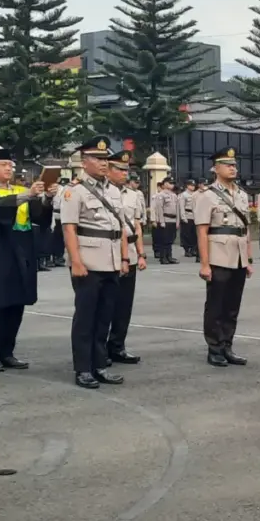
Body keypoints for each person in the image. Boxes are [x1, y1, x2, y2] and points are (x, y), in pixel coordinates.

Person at [0, 146, 55, 372]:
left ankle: (7, 351)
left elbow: (40, 217)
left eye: (10, 165)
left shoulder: (20, 189)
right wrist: (27, 195)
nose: (9, 168)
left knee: (18, 303)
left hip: (23, 250)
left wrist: (46, 197)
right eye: (4, 165)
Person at [62, 136, 130, 389]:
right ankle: (83, 368)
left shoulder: (113, 190)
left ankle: (99, 364)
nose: (104, 163)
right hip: (88, 262)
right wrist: (76, 261)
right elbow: (69, 229)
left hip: (111, 260)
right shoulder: (74, 191)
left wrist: (124, 258)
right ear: (84, 161)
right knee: (86, 318)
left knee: (104, 317)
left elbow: (120, 227)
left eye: (105, 159)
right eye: (98, 159)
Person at [195, 147, 253, 367]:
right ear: (215, 168)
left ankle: (227, 345)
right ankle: (214, 348)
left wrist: (248, 260)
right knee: (216, 305)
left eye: (234, 165)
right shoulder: (207, 196)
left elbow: (245, 229)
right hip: (218, 256)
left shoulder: (242, 195)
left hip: (237, 256)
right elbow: (202, 231)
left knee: (232, 306)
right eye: (228, 165)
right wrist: (204, 264)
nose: (233, 168)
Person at [106, 149, 146, 365]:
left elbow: (136, 226)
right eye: (119, 169)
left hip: (129, 253)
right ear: (109, 169)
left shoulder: (133, 195)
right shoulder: (103, 193)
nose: (124, 173)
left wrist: (141, 254)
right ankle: (99, 348)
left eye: (126, 169)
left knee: (124, 305)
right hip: (111, 253)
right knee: (107, 304)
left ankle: (117, 346)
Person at [151, 178, 179, 264]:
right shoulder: (161, 195)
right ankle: (163, 257)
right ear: (165, 184)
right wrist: (161, 221)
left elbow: (177, 209)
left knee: (170, 240)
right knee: (164, 240)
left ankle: (169, 256)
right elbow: (159, 209)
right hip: (165, 220)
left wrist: (177, 221)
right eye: (170, 183)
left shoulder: (174, 195)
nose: (172, 185)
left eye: (173, 183)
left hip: (173, 220)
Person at [178, 179, 197, 259]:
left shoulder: (196, 194)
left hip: (194, 216)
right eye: (191, 185)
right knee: (186, 234)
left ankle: (193, 249)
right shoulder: (183, 195)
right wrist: (183, 217)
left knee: (194, 235)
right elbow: (181, 207)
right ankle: (187, 250)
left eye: (194, 185)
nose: (193, 187)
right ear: (187, 186)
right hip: (187, 216)